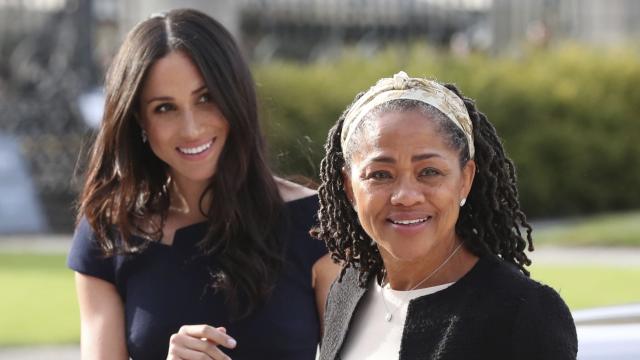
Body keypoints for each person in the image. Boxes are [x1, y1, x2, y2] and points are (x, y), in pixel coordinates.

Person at [67, 8, 338, 360]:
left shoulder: (320, 225)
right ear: (138, 121)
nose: (191, 128)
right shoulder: (109, 231)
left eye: (206, 98)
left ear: (235, 96)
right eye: (165, 108)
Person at [315, 71, 578, 359]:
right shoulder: (345, 293)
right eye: (380, 174)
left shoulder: (522, 313)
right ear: (349, 188)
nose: (406, 195)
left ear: (465, 179)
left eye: (429, 172)